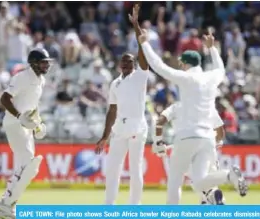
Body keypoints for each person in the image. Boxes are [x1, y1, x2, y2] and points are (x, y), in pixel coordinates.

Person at [137, 5, 248, 204]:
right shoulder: (211, 77)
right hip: (206, 138)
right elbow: (221, 68)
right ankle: (229, 176)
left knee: (174, 182)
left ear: (186, 63)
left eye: (181, 62)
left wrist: (145, 45)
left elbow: (159, 66)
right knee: (199, 183)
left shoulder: (186, 78)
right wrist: (212, 48)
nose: (180, 65)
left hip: (187, 136)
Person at [95, 5, 149, 205]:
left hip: (137, 127)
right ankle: (109, 207)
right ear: (119, 65)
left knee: (135, 169)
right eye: (123, 63)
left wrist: (135, 25)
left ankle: (134, 207)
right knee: (112, 169)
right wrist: (104, 136)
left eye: (129, 62)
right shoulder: (115, 83)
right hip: (119, 129)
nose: (126, 65)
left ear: (134, 64)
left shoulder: (141, 76)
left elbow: (142, 49)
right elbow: (112, 109)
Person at [0, 48, 53, 219]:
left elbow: (33, 106)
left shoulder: (41, 80)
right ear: (33, 63)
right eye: (43, 62)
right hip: (14, 123)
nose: (47, 65)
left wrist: (38, 124)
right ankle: (5, 204)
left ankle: (6, 204)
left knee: (28, 168)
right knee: (27, 163)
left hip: (26, 126)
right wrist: (19, 116)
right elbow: (4, 99)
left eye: (48, 62)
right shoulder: (21, 78)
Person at [154, 102, 226, 205]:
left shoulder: (177, 106)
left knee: (178, 184)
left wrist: (159, 142)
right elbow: (220, 133)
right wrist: (214, 141)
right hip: (208, 150)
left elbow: (160, 121)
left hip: (184, 148)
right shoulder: (207, 106)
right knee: (207, 185)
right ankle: (212, 194)